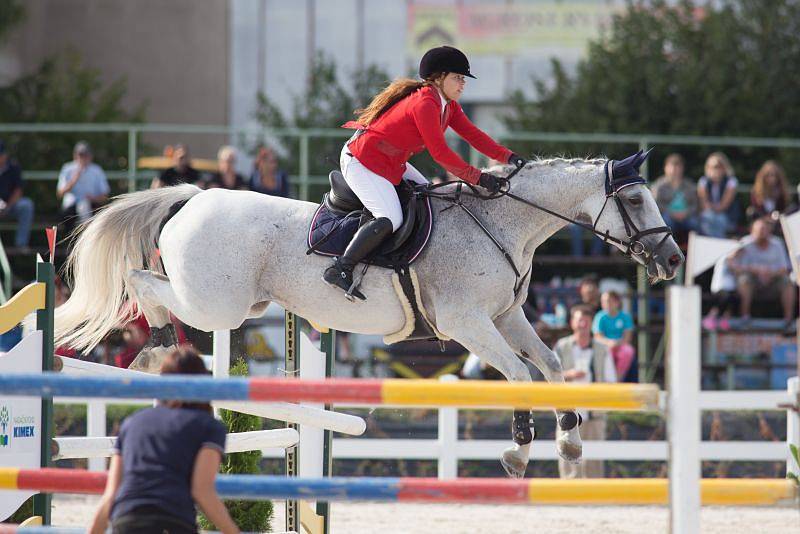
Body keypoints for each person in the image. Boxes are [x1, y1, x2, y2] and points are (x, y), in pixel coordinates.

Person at [323, 45, 525, 300]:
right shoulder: (425, 102)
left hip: (391, 161)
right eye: (458, 78)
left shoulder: (447, 105)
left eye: (463, 79)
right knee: (390, 218)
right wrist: (479, 177)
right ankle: (341, 267)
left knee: (430, 196)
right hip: (362, 161)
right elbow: (440, 154)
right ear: (439, 78)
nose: (463, 84)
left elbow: (473, 135)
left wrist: (508, 156)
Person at [89, 347, 239, 534]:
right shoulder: (208, 426)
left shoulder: (132, 422)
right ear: (202, 384)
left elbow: (110, 496)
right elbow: (202, 491)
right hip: (172, 520)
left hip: (126, 521)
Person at [553, 305, 617, 478]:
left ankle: (595, 499)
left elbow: (611, 381)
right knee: (568, 460)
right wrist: (569, 375)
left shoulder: (603, 349)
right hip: (567, 412)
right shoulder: (561, 346)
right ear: (572, 323)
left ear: (591, 324)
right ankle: (568, 498)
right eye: (580, 320)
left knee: (594, 462)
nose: (583, 324)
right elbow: (550, 377)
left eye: (587, 321)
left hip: (594, 412)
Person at [727, 218, 794, 328]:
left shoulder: (777, 244)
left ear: (769, 231)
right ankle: (745, 318)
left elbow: (785, 268)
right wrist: (754, 270)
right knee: (744, 280)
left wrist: (769, 273)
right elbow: (732, 266)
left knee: (788, 282)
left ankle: (788, 320)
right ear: (752, 231)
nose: (762, 233)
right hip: (751, 282)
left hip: (773, 282)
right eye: (759, 230)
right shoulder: (744, 243)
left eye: (764, 229)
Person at [57, 141, 110, 236]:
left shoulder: (96, 170)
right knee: (76, 211)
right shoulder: (67, 169)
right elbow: (60, 193)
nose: (83, 158)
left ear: (90, 156)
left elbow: (105, 196)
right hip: (70, 208)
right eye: (80, 155)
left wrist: (93, 198)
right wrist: (74, 180)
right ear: (75, 155)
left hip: (92, 205)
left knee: (86, 207)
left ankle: (87, 236)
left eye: (85, 155)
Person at [592, 290, 636, 382]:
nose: (605, 304)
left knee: (628, 351)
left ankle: (617, 380)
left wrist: (616, 343)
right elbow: (597, 337)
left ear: (617, 302)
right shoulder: (599, 317)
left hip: (620, 346)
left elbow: (627, 338)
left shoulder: (625, 317)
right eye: (603, 301)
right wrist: (609, 343)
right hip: (605, 347)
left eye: (608, 301)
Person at [651, 153, 698, 236]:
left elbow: (695, 204)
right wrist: (671, 213)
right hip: (668, 216)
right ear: (665, 168)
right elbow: (656, 204)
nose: (674, 170)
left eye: (677, 166)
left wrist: (686, 213)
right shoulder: (658, 186)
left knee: (696, 224)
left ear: (682, 168)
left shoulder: (690, 186)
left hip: (686, 216)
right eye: (671, 166)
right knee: (666, 223)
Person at [0, 139, 35, 248]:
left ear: (5, 154)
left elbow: (18, 191)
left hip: (10, 205)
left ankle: (21, 244)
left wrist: (6, 207)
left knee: (26, 205)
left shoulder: (14, 167)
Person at [697, 152, 739, 238]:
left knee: (718, 219)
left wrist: (711, 208)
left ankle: (717, 244)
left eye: (717, 167)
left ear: (724, 168)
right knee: (707, 217)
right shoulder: (703, 181)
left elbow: (724, 206)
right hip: (710, 214)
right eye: (711, 167)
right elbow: (704, 204)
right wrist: (711, 209)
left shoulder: (731, 181)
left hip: (727, 215)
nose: (714, 170)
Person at [747, 160, 792, 226]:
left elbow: (783, 210)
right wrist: (766, 218)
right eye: (768, 175)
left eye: (774, 175)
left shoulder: (782, 192)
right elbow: (756, 210)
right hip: (761, 222)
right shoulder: (756, 192)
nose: (772, 178)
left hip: (778, 223)